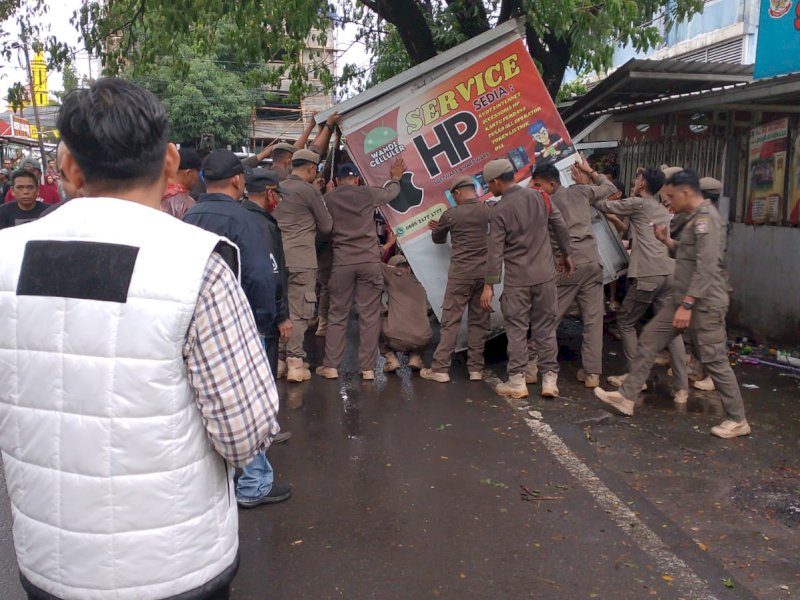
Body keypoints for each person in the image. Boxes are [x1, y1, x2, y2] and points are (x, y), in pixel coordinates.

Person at [0, 77, 280, 600]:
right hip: (177, 567)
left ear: (68, 168)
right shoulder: (196, 266)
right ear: (171, 160)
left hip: (50, 563)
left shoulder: (4, 258)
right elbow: (245, 433)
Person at [595, 170, 750, 439]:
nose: (668, 202)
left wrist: (688, 305)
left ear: (686, 192)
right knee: (650, 339)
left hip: (704, 302)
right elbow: (688, 254)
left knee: (713, 359)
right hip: (682, 296)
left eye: (671, 196)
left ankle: (737, 419)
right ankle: (627, 396)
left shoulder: (707, 220)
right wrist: (665, 241)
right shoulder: (691, 220)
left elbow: (706, 266)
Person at [593, 167, 689, 403]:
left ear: (643, 183)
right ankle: (682, 388)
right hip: (669, 274)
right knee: (670, 330)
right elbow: (637, 234)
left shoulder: (639, 203)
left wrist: (591, 181)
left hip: (649, 275)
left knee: (625, 322)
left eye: (637, 178)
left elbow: (603, 205)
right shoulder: (660, 209)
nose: (635, 181)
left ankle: (636, 378)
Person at [480, 158, 573, 399]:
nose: (489, 188)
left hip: (517, 282)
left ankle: (517, 382)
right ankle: (550, 381)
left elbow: (495, 252)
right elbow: (560, 226)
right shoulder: (540, 197)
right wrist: (566, 255)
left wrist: (489, 285)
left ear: (497, 182)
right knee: (545, 329)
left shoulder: (499, 210)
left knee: (517, 331)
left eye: (488, 184)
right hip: (545, 277)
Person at [528, 158, 617, 388]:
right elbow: (610, 188)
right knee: (593, 320)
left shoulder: (544, 202)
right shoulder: (581, 191)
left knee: (549, 316)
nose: (536, 188)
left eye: (538, 184)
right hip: (592, 262)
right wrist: (591, 171)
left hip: (567, 266)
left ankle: (529, 365)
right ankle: (592, 374)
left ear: (550, 183)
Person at [316, 160, 404, 380]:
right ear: (356, 179)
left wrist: (327, 193)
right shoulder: (367, 193)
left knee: (337, 315)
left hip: (342, 262)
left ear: (336, 181)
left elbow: (321, 226)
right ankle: (367, 369)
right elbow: (390, 192)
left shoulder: (328, 199)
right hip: (368, 261)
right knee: (369, 315)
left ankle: (331, 366)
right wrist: (395, 177)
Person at [183, 149, 277, 338]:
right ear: (236, 180)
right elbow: (259, 275)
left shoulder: (188, 217)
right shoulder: (245, 220)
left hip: (192, 324)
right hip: (235, 325)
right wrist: (262, 322)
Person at [420, 176, 491, 383]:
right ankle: (476, 370)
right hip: (484, 274)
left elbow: (438, 239)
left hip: (461, 275)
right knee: (479, 322)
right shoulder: (488, 211)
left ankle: (440, 369)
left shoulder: (451, 215)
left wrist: (439, 228)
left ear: (457, 193)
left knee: (451, 321)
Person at [273, 148, 333, 382]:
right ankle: (295, 362)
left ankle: (278, 361)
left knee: (281, 310)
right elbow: (327, 226)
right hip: (301, 258)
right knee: (299, 312)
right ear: (311, 168)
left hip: (278, 258)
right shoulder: (309, 191)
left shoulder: (277, 187)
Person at [380, 254, 433, 368]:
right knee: (420, 324)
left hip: (396, 338)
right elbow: (428, 310)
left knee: (376, 318)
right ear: (409, 268)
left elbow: (373, 263)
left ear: (393, 268)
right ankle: (415, 357)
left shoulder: (393, 276)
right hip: (422, 340)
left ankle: (391, 358)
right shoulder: (420, 285)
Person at [161, 147, 201, 218]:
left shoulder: (154, 194)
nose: (198, 177)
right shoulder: (188, 204)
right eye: (198, 172)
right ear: (188, 173)